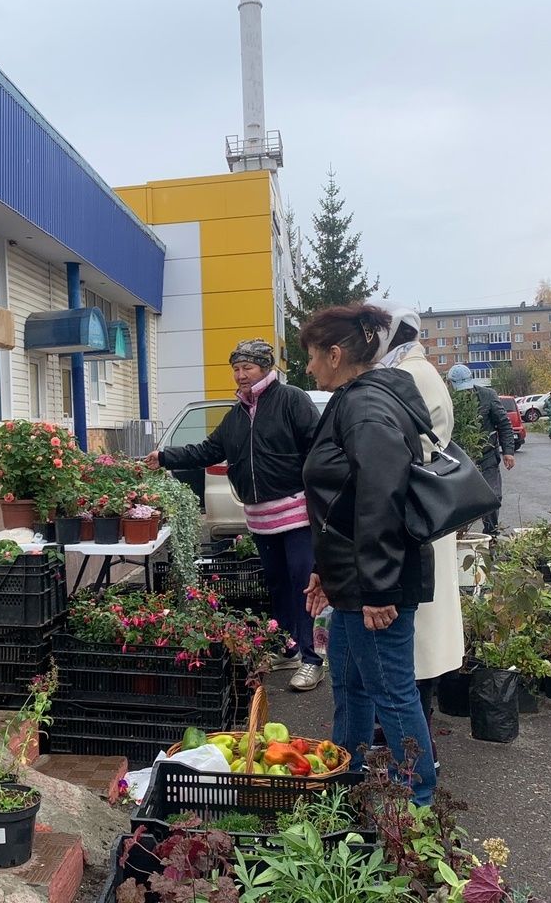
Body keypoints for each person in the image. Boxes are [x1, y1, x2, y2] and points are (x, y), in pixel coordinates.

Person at [300, 303, 438, 805]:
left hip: (374, 585)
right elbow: (344, 499)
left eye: (313, 357)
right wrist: (324, 571)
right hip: (351, 579)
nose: (309, 368)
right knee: (353, 683)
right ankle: (346, 776)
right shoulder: (353, 400)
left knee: (392, 692)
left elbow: (381, 499)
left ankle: (417, 804)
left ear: (335, 355)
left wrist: (378, 588)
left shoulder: (366, 407)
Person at [146, 339, 325, 691]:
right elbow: (209, 450)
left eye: (248, 368)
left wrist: (318, 496)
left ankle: (313, 659)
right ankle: (288, 647)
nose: (241, 375)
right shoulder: (237, 414)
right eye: (237, 369)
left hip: (296, 513)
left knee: (304, 585)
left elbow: (318, 447)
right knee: (277, 585)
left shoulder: (291, 400)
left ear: (266, 368)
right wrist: (164, 457)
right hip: (260, 518)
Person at [367, 298, 462, 755]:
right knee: (422, 637)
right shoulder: (420, 370)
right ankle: (412, 731)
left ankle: (417, 744)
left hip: (412, 515)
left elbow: (402, 448)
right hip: (424, 514)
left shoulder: (407, 375)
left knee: (417, 642)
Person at [446, 364, 516, 536]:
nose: (464, 394)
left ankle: (491, 535)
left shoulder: (488, 396)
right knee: (461, 501)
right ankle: (459, 537)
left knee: (492, 496)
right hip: (459, 459)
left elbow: (504, 425)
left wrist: (508, 451)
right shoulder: (446, 399)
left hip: (486, 456)